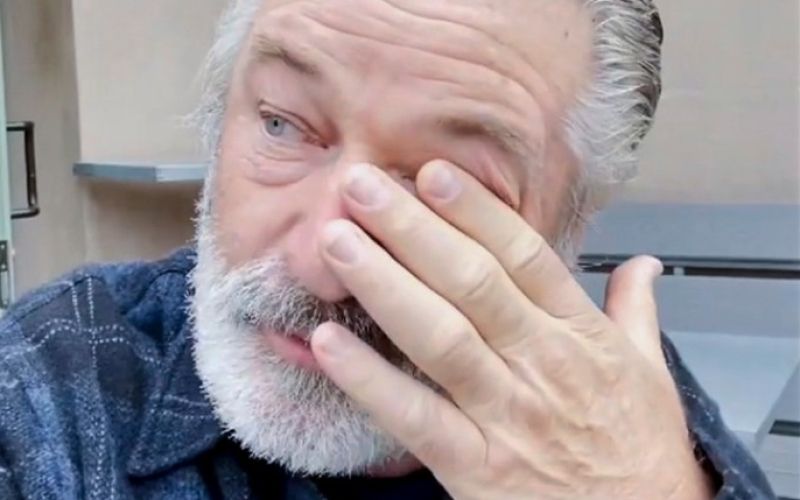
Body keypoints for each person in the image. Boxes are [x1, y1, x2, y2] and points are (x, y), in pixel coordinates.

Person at [0, 0, 776, 498]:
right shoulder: (45, 391)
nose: (324, 264)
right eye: (282, 124)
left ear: (567, 232)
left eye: (446, 187)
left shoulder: (611, 400)